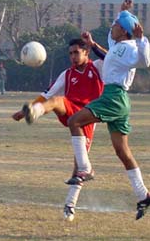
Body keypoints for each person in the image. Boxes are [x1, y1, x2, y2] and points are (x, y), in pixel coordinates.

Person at [66, 0, 150, 220]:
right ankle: (143, 195)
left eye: (115, 24)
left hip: (114, 96)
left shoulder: (129, 46)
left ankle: (84, 169)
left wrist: (142, 39)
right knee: (122, 151)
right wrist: (122, 13)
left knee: (74, 121)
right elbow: (108, 54)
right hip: (119, 99)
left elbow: (144, 62)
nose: (112, 26)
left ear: (124, 32)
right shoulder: (119, 46)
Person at [12, 38, 104, 221]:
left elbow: (111, 59)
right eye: (70, 53)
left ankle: (70, 205)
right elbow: (47, 94)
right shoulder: (67, 74)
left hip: (89, 116)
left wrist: (94, 44)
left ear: (86, 53)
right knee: (56, 101)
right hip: (71, 110)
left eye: (76, 52)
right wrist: (26, 111)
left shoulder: (98, 67)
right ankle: (35, 113)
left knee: (79, 168)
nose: (73, 57)